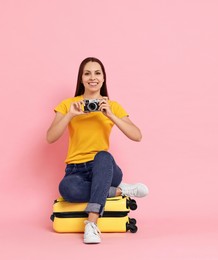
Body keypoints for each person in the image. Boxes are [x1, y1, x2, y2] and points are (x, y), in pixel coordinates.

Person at [46, 57, 149, 244]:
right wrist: (70, 115)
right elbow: (50, 137)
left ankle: (91, 223)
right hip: (75, 170)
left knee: (103, 155)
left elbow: (137, 135)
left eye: (97, 73)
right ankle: (118, 191)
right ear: (81, 78)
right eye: (87, 73)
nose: (92, 77)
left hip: (103, 168)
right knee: (66, 188)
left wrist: (110, 115)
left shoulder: (112, 106)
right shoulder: (69, 104)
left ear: (103, 78)